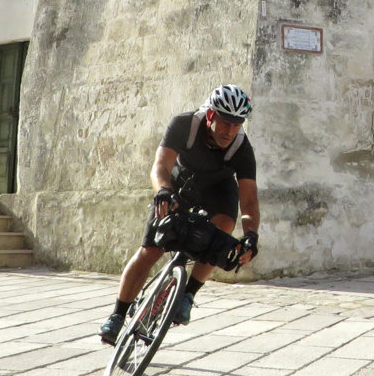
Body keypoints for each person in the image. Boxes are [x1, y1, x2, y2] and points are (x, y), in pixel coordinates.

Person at [99, 84, 260, 344]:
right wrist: (163, 191)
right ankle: (117, 315)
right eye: (224, 122)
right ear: (210, 116)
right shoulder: (185, 125)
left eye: (237, 124)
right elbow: (160, 166)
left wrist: (252, 235)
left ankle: (188, 294)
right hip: (178, 186)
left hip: (218, 190)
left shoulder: (241, 148)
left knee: (223, 230)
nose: (230, 131)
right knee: (151, 250)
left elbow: (249, 199)